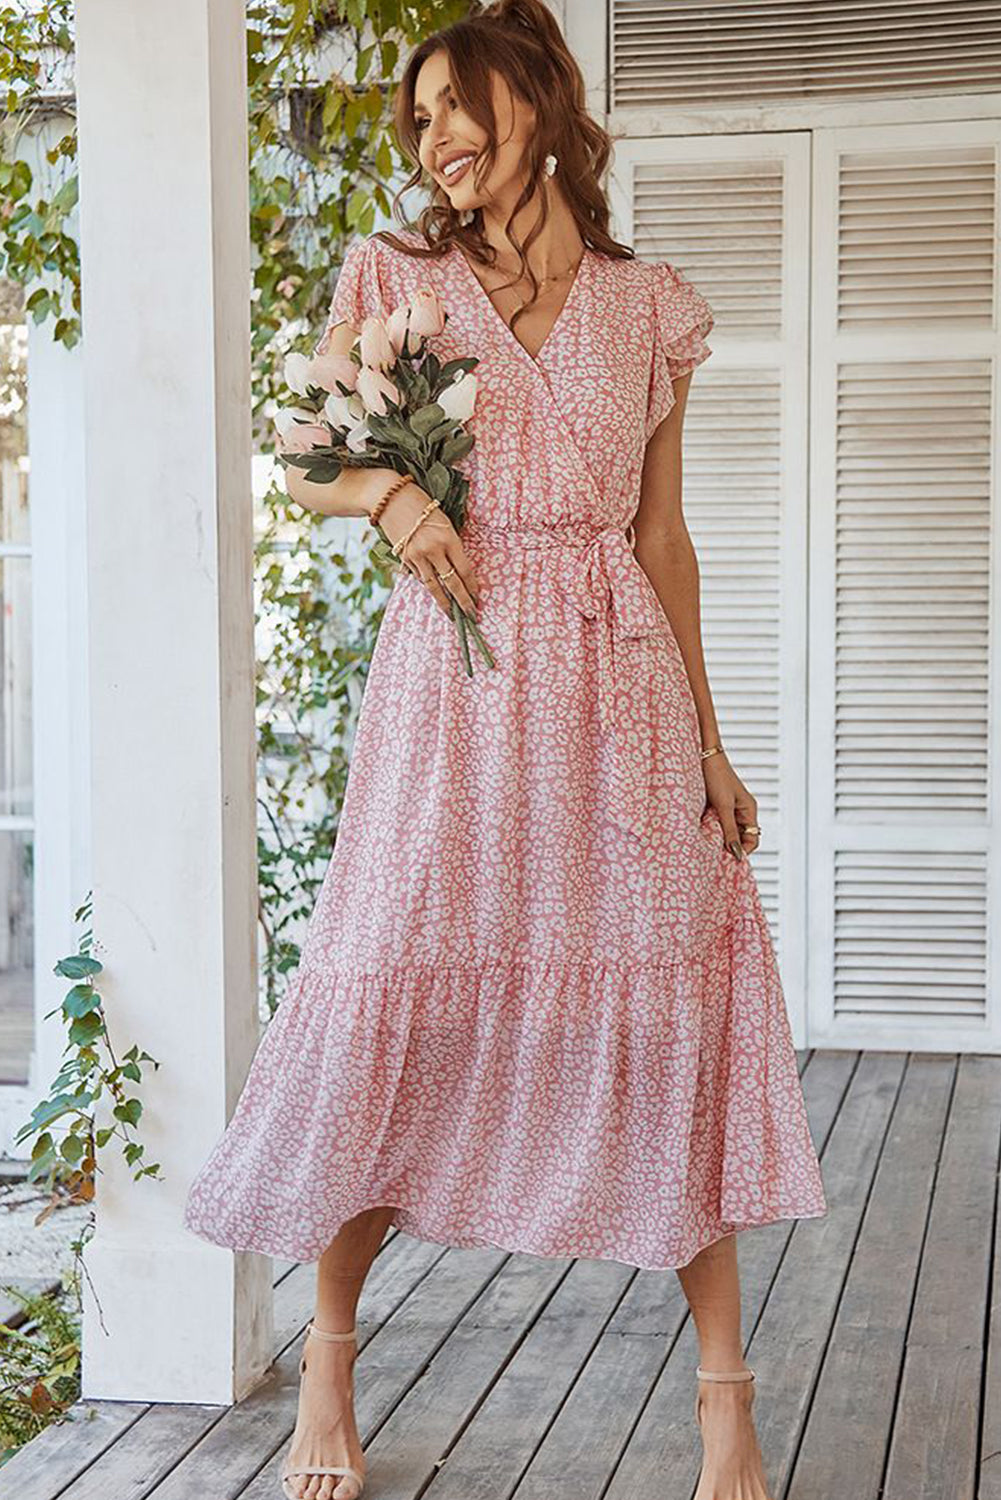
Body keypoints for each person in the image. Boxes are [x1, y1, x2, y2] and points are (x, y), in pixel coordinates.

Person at [183, 2, 828, 1497]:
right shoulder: (396, 280)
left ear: (533, 101)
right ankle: (329, 1358)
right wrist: (398, 506)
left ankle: (723, 1400)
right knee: (394, 998)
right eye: (415, 123)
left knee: (665, 1005)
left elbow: (662, 543)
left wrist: (714, 750)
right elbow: (307, 453)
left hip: (618, 695)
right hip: (452, 702)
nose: (432, 140)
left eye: (450, 107)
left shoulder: (647, 301)